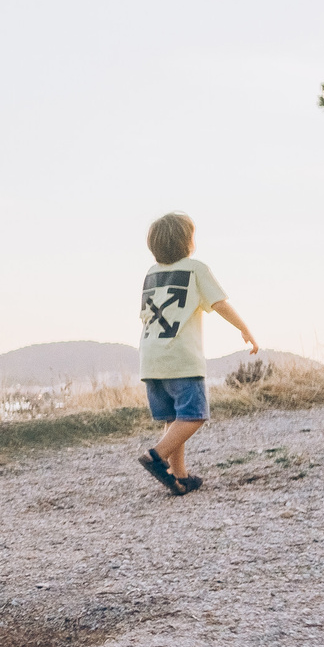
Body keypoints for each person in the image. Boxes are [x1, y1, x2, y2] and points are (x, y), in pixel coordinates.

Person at [135, 211, 257, 496]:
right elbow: (220, 303)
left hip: (150, 359)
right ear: (187, 242)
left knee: (173, 419)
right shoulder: (195, 268)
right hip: (180, 358)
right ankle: (156, 455)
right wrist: (244, 328)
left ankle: (180, 477)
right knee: (193, 415)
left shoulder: (151, 274)